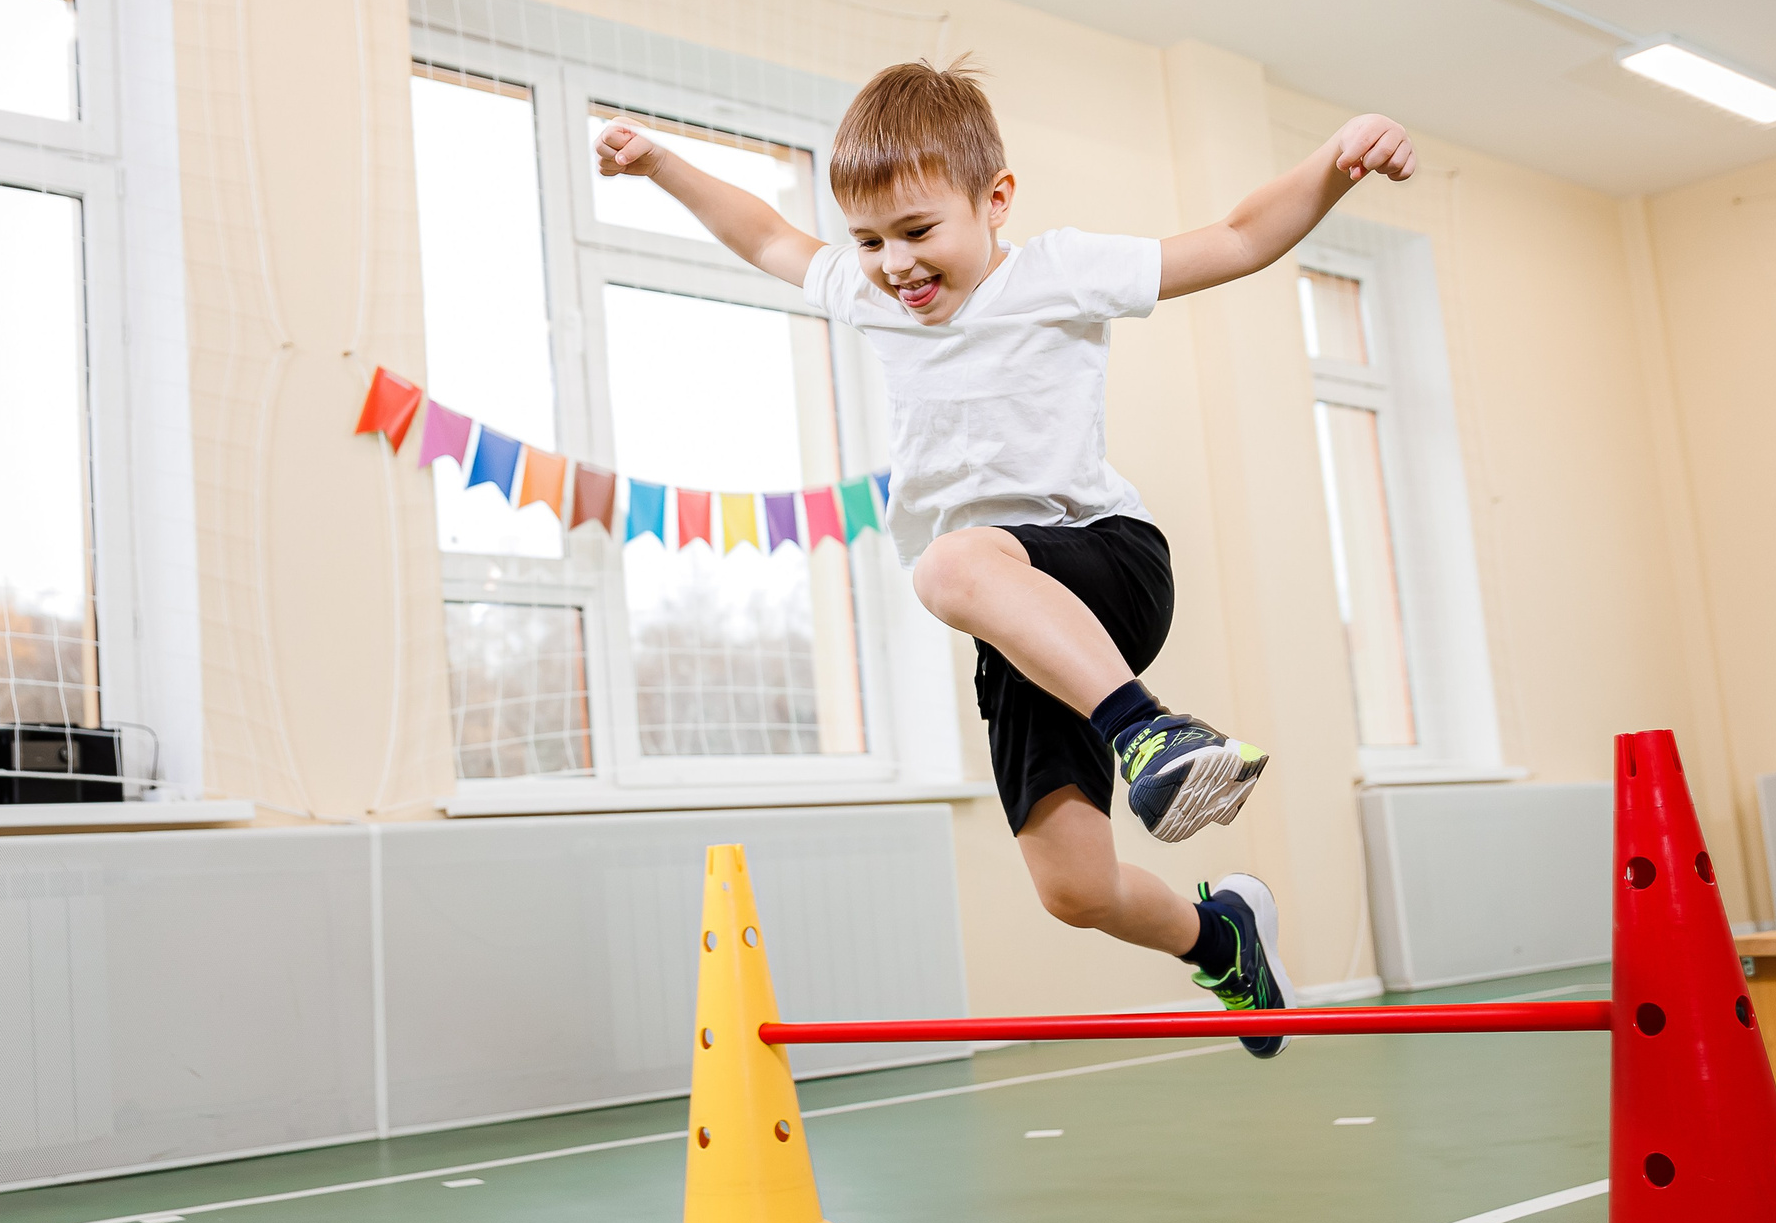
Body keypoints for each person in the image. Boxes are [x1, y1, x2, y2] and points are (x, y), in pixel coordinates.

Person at [595, 61, 1414, 1057]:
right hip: (1018, 620)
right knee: (1074, 890)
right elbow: (764, 234)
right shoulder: (872, 297)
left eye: (916, 232)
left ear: (995, 202)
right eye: (867, 240)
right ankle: (1225, 940)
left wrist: (1339, 162)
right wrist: (661, 164)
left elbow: (1238, 238)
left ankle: (1148, 734)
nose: (893, 263)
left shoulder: (1055, 273)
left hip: (1104, 562)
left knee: (944, 566)